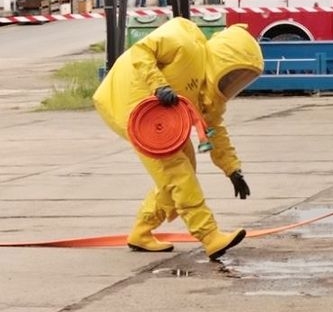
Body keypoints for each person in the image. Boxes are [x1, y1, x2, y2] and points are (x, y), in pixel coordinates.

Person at [92, 18, 264, 260]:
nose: (233, 85)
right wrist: (159, 85)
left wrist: (232, 170)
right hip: (134, 107)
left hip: (164, 120)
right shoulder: (184, 43)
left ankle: (142, 232)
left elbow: (216, 131)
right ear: (220, 60)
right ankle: (210, 236)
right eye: (233, 75)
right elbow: (142, 51)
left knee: (181, 171)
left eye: (241, 81)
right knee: (178, 174)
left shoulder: (209, 96)